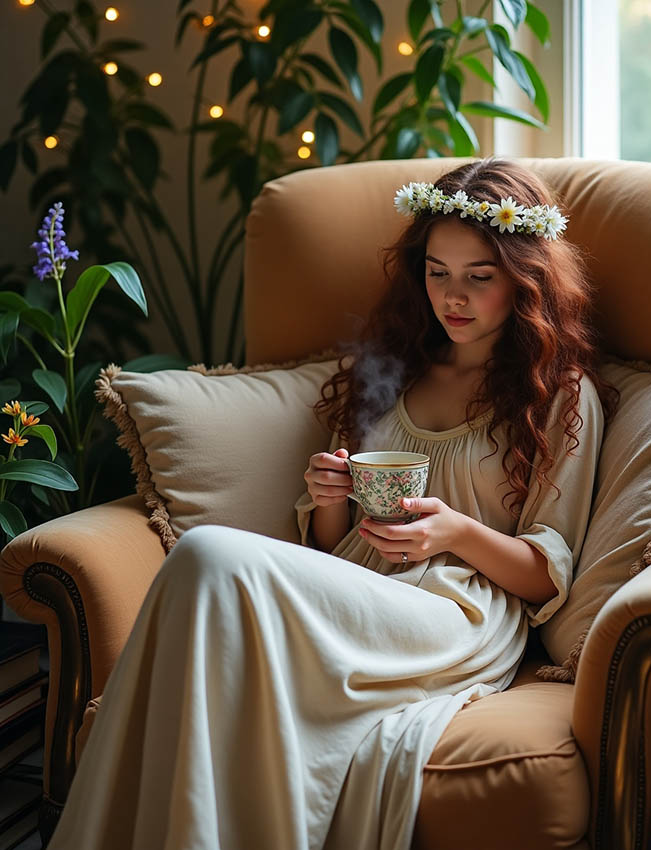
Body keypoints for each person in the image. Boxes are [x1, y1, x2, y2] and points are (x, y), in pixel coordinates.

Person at [47, 158, 609, 850]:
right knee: (207, 582)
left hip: (454, 613)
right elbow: (329, 549)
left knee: (208, 554)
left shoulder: (560, 394)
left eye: (478, 277)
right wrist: (329, 499)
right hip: (358, 591)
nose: (452, 297)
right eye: (437, 272)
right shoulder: (396, 371)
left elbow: (547, 573)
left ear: (525, 278)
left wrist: (455, 533)